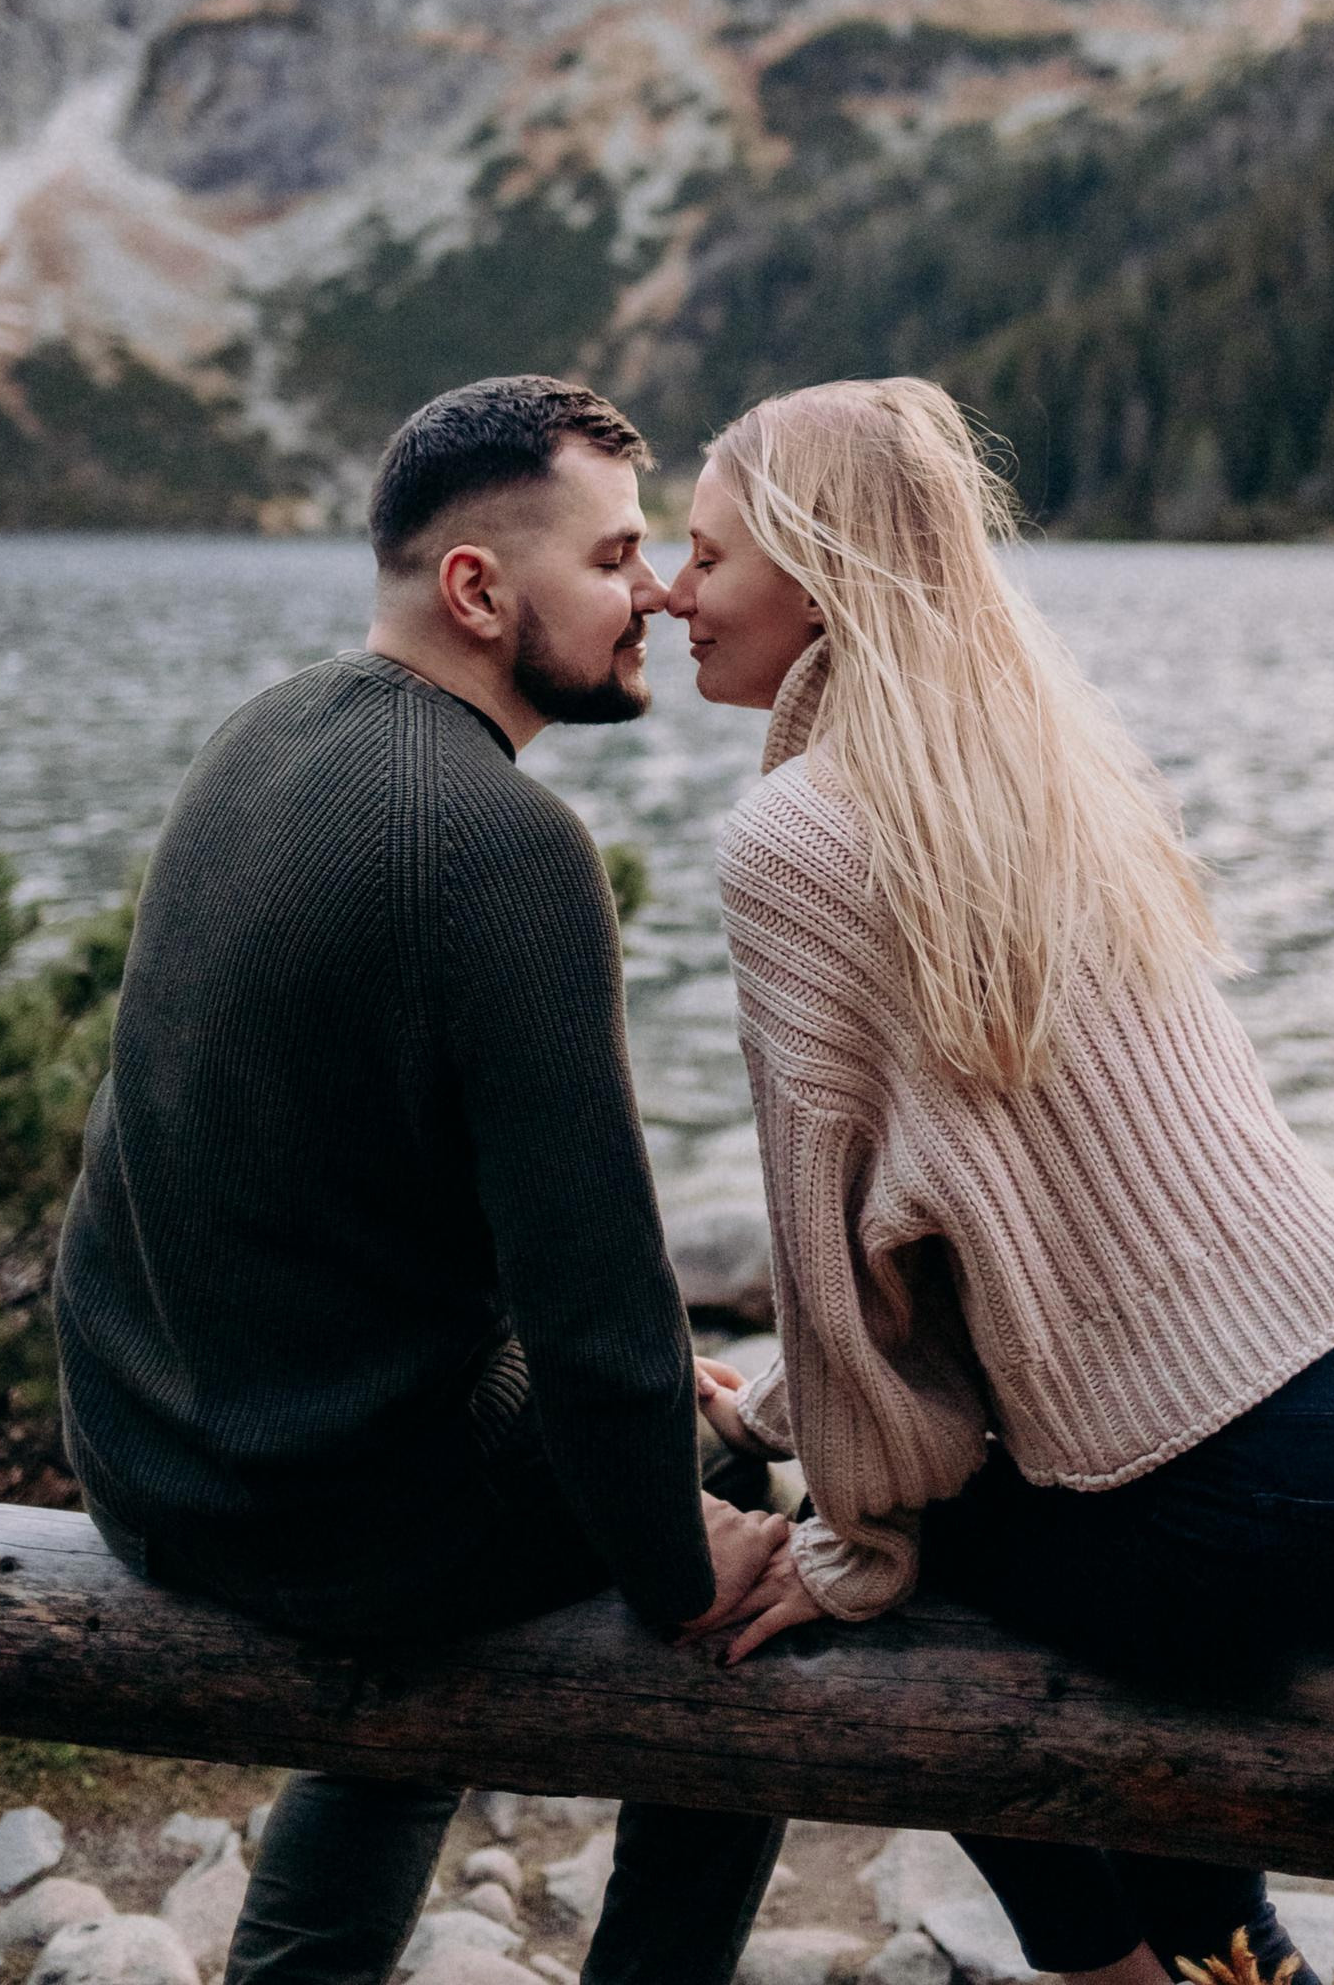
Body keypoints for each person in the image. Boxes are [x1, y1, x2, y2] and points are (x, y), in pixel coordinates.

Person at [667, 376, 1334, 1985]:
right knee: (981, 1518)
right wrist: (773, 1409)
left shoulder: (794, 839)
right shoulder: (1027, 756)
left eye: (704, 556)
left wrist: (839, 1543)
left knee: (899, 1577)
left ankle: (1109, 1976)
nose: (668, 591)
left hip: (1273, 1507)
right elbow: (1002, 1213)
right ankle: (1218, 1952)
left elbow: (856, 1280)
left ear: (820, 567)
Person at [54, 375, 790, 1985]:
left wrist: (633, 1394)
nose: (659, 591)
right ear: (477, 589)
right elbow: (594, 1316)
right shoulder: (502, 852)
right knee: (742, 1534)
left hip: (143, 1455)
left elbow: (189, 1157)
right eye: (612, 561)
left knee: (645, 1422)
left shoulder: (265, 734)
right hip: (312, 1521)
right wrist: (682, 1537)